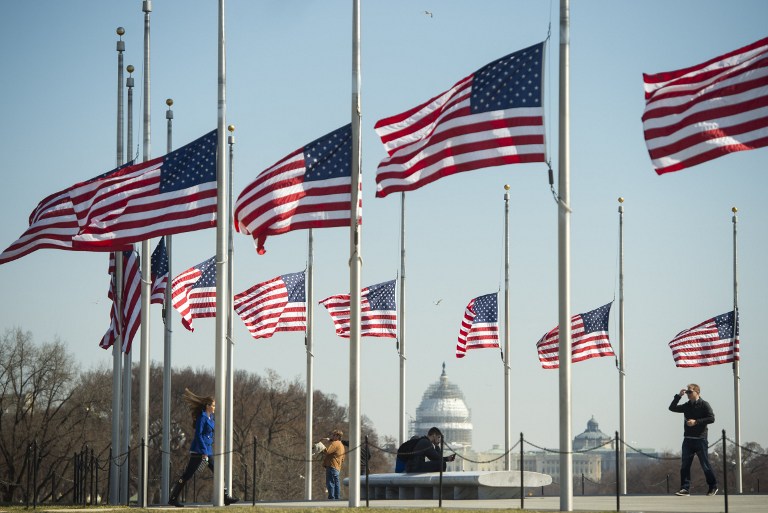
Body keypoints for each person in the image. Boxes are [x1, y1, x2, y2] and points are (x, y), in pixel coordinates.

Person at [168, 389, 239, 507]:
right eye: (213, 405)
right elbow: (198, 435)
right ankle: (173, 498)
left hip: (207, 450)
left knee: (218, 471)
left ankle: (225, 497)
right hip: (199, 451)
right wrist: (204, 451)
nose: (215, 407)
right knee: (187, 475)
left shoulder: (211, 417)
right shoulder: (202, 418)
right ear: (208, 406)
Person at [668, 384, 718, 497]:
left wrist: (696, 422)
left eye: (690, 392)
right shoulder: (687, 405)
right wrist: (678, 396)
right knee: (685, 465)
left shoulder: (704, 404)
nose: (688, 394)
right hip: (688, 440)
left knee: (705, 465)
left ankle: (713, 486)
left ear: (697, 392)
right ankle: (684, 489)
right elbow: (672, 408)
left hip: (700, 439)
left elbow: (711, 418)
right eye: (687, 392)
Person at [319, 429, 346, 500]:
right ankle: (337, 497)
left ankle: (331, 497)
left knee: (330, 482)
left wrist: (320, 447)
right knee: (336, 482)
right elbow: (343, 458)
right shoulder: (341, 445)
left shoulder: (335, 443)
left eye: (334, 435)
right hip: (337, 466)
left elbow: (327, 451)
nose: (332, 436)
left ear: (337, 436)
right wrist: (329, 439)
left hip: (331, 465)